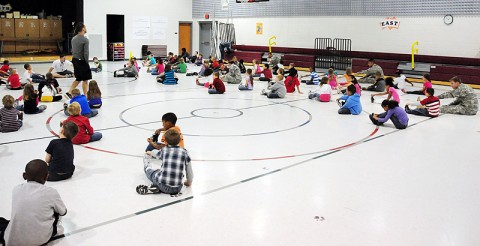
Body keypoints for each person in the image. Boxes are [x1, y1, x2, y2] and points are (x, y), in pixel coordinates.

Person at [3, 159, 67, 246]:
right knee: (55, 211)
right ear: (46, 176)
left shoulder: (16, 189)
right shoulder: (50, 192)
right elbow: (63, 212)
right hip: (41, 240)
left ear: (24, 175)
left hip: (11, 240)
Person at [144, 129, 193, 195]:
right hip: (177, 188)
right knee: (161, 171)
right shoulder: (185, 152)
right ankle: (157, 188)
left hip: (162, 185)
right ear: (180, 140)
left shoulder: (164, 150)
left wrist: (150, 152)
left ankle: (148, 168)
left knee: (153, 173)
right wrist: (188, 182)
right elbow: (189, 171)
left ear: (166, 142)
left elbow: (156, 154)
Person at [68, 23, 91, 98]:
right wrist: (87, 62)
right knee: (85, 80)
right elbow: (86, 53)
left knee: (78, 78)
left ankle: (69, 92)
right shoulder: (85, 40)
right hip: (82, 61)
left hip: (75, 60)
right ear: (83, 29)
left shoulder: (73, 38)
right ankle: (85, 95)